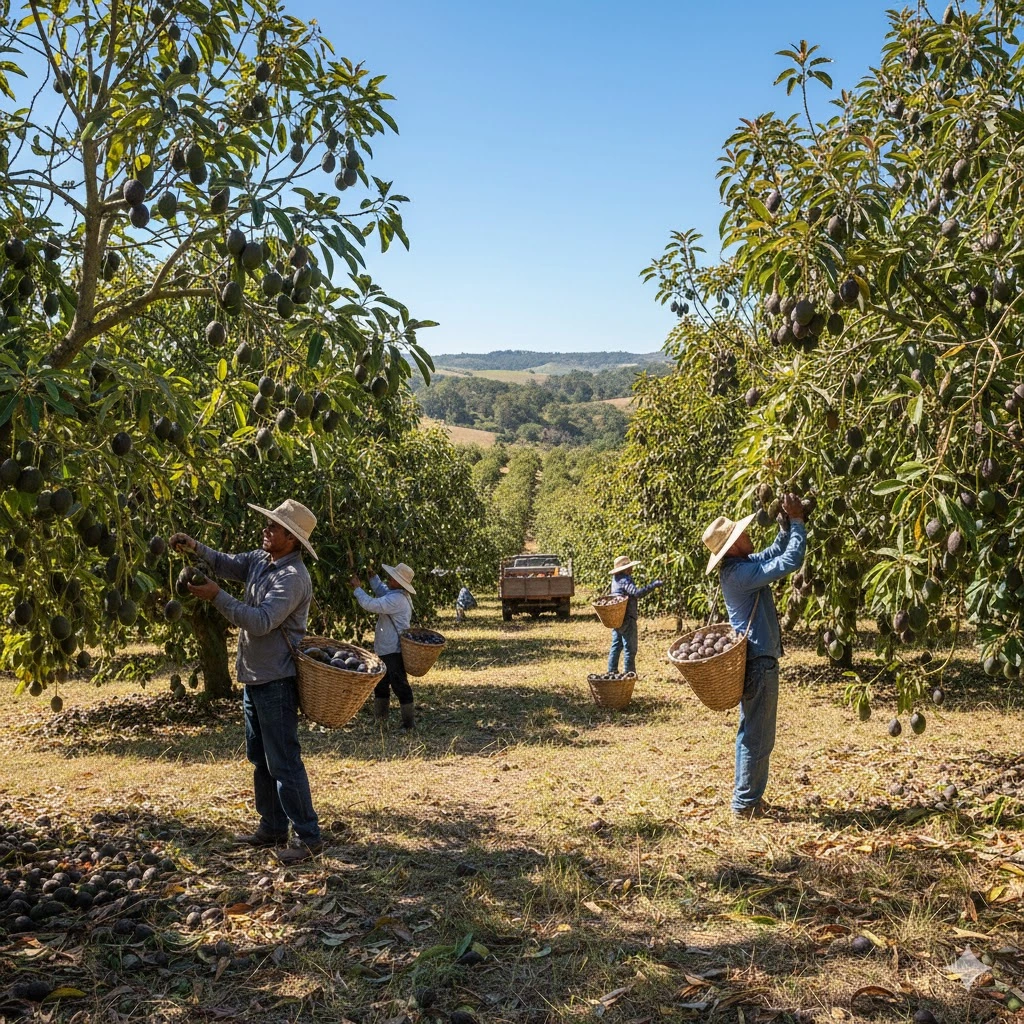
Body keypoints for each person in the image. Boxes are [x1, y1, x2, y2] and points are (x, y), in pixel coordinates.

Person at [169, 499, 323, 865]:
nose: (266, 530)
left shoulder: (293, 578)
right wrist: (195, 547)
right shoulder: (261, 559)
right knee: (260, 758)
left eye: (274, 527)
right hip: (254, 678)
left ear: (292, 539)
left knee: (284, 762)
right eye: (268, 525)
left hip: (277, 681)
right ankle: (272, 826)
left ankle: (309, 836)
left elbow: (260, 621)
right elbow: (226, 563)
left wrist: (217, 596)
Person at [702, 494, 806, 820]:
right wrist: (800, 522)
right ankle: (745, 804)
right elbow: (790, 562)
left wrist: (786, 523)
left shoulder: (742, 565)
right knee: (758, 737)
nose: (748, 535)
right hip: (758, 663)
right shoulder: (739, 575)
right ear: (732, 547)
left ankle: (747, 799)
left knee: (752, 733)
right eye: (741, 534)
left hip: (756, 660)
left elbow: (775, 552)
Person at [349, 562, 416, 731]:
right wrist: (372, 577)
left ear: (399, 582)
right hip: (385, 648)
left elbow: (371, 604)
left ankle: (408, 724)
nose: (389, 578)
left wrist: (357, 588)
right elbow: (382, 591)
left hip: (393, 649)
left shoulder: (396, 600)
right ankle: (380, 721)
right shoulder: (397, 594)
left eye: (392, 577)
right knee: (380, 684)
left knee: (400, 684)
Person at [607, 556, 663, 675]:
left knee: (616, 644)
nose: (632, 568)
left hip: (616, 615)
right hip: (627, 616)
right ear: (625, 569)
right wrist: (653, 585)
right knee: (630, 647)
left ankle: (612, 670)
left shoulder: (615, 579)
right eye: (630, 567)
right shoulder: (624, 579)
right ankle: (629, 673)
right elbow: (636, 593)